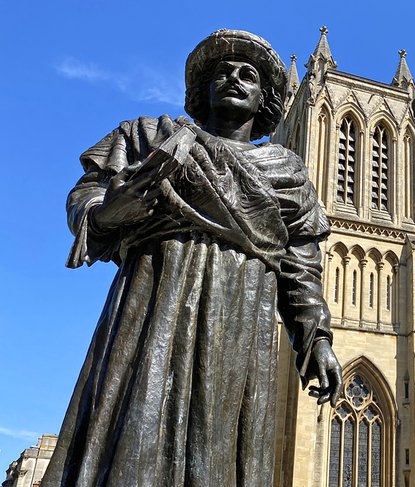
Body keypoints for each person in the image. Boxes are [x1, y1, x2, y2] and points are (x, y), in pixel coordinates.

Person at [42, 29, 342, 487]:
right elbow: (87, 194)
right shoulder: (150, 137)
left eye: (249, 76)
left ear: (264, 98)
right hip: (154, 301)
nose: (235, 79)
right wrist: (105, 213)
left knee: (221, 449)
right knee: (133, 435)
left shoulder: (286, 171)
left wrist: (315, 337)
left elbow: (301, 264)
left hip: (243, 317)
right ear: (202, 89)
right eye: (223, 72)